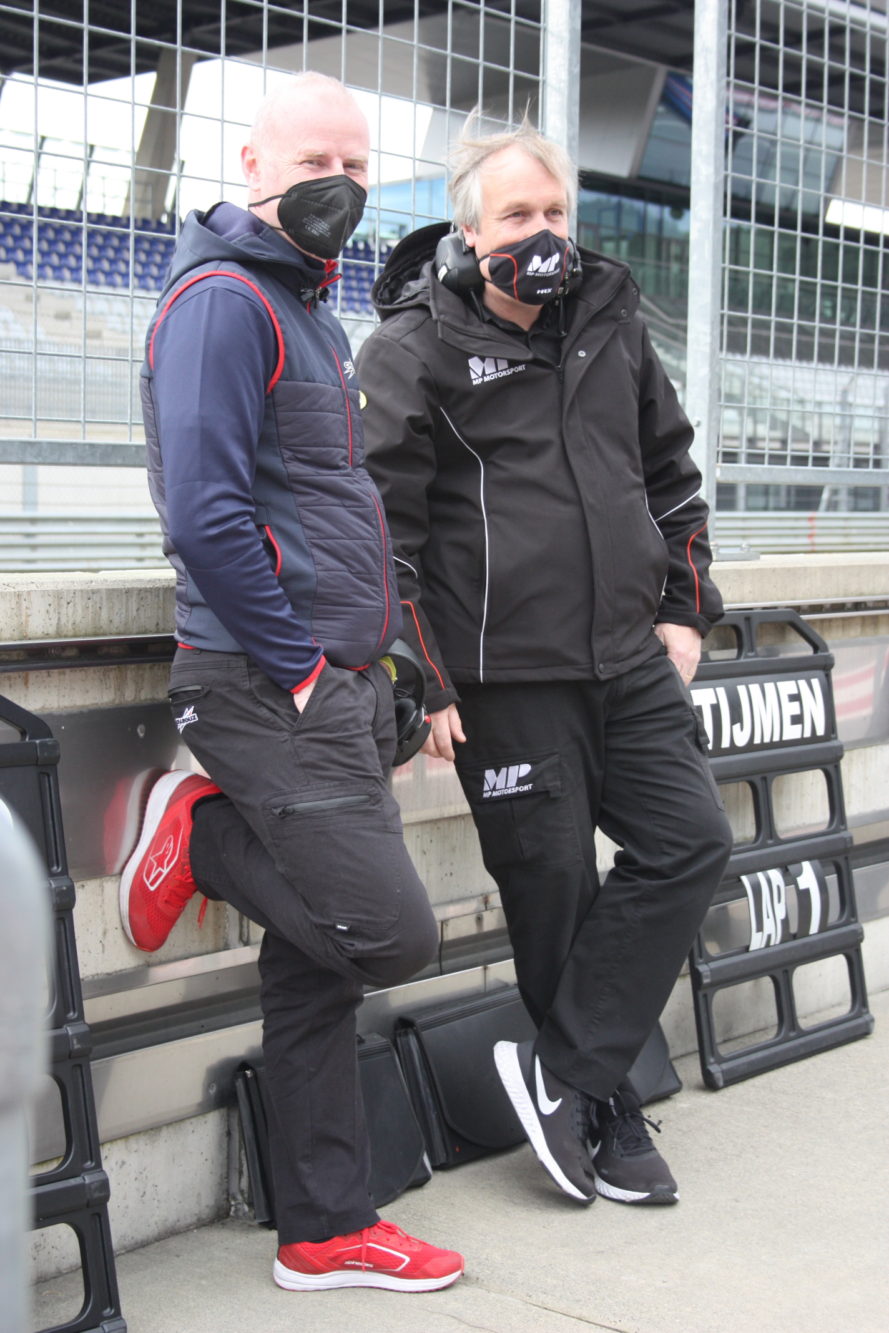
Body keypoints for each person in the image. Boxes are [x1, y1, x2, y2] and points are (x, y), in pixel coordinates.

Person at [118, 73, 463, 1293]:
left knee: (318, 967)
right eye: (317, 158)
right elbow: (205, 517)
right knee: (390, 935)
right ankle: (201, 831)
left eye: (359, 164)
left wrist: (382, 665)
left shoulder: (308, 311)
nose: (341, 182)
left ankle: (324, 1226)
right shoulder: (223, 303)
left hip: (334, 682)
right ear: (254, 164)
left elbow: (335, 510)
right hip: (269, 685)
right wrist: (308, 669)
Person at [358, 116, 734, 1207]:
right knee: (553, 891)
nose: (542, 232)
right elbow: (381, 537)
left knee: (690, 841)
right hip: (503, 678)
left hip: (628, 656)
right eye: (517, 213)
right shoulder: (410, 349)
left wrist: (685, 610)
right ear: (471, 232)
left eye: (555, 210)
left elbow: (671, 477)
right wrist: (420, 675)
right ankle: (601, 1108)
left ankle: (562, 1071)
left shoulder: (611, 322)